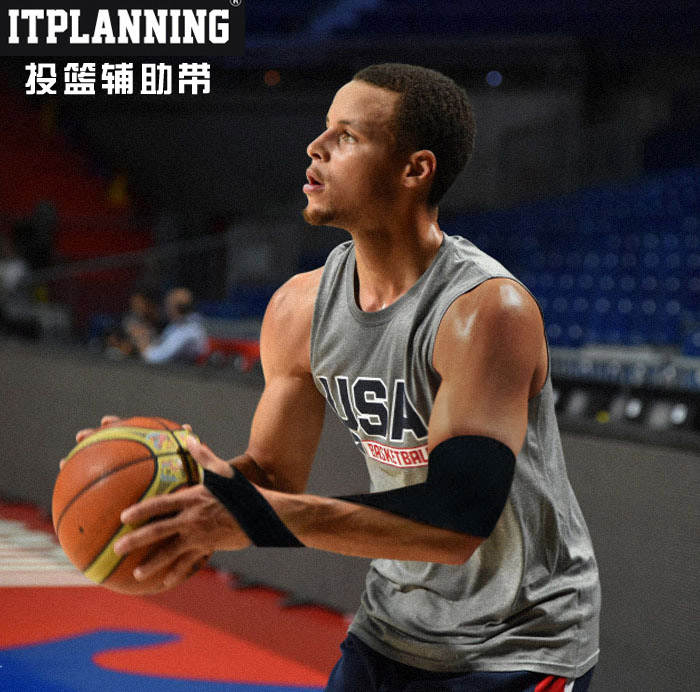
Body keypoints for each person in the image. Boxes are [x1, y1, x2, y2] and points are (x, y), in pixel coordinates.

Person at [77, 64, 600, 691]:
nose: (315, 147)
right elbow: (273, 476)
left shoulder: (484, 310)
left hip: (518, 641)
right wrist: (171, 481)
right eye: (325, 128)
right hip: (393, 623)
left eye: (347, 136)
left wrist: (252, 515)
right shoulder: (298, 308)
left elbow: (456, 521)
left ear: (415, 170)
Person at [130, 286, 208, 364]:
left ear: (174, 308)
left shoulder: (187, 330)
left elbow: (155, 358)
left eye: (168, 304)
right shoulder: (178, 325)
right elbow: (160, 346)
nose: (166, 308)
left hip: (181, 370)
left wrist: (141, 339)